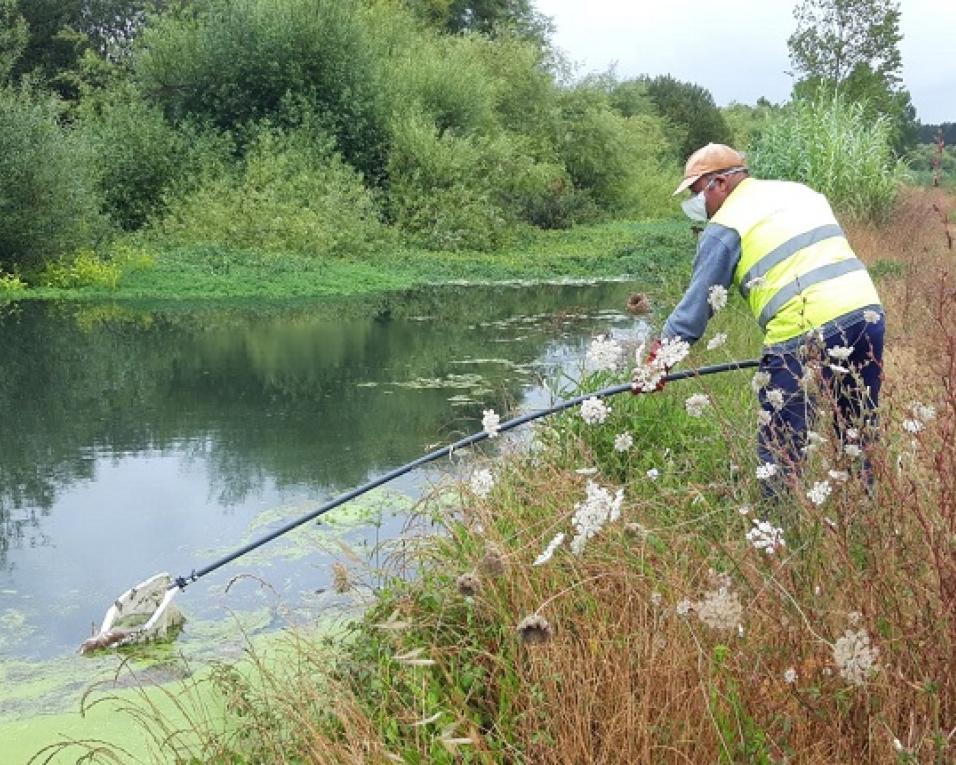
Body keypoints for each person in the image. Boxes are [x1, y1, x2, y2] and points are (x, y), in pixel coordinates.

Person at [656, 143, 885, 482]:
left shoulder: (726, 225)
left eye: (696, 192)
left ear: (720, 183)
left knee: (782, 447)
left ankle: (776, 531)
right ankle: (866, 517)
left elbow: (695, 308)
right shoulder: (799, 192)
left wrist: (657, 364)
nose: (696, 204)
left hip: (803, 330)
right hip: (866, 314)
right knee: (856, 430)